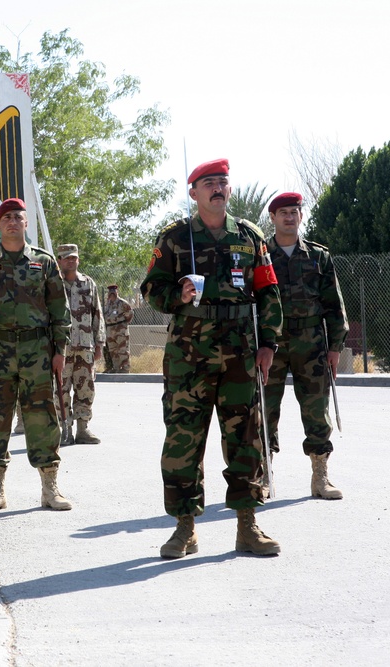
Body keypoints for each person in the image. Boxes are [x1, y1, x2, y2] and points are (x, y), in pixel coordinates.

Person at [139, 158, 283, 558]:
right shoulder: (174, 237)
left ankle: (247, 524)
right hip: (190, 353)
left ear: (230, 190)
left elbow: (268, 293)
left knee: (246, 439)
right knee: (184, 438)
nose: (217, 189)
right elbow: (152, 288)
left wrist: (269, 344)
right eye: (209, 183)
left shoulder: (250, 237)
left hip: (241, 351)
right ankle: (184, 528)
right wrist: (177, 295)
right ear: (194, 193)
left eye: (223, 182)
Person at [0, 198, 73, 512]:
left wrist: (60, 351)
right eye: (6, 218)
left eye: (17, 217)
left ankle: (50, 488)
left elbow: (59, 311)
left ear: (26, 223)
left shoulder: (44, 262)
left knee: (42, 416)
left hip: (37, 350)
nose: (12, 222)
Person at [264, 192, 347, 501]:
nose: (289, 216)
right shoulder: (259, 255)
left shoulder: (318, 256)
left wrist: (335, 347)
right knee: (265, 408)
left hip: (311, 342)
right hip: (269, 343)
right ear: (272, 217)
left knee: (316, 408)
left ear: (301, 216)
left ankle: (320, 475)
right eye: (282, 212)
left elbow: (333, 306)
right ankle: (263, 472)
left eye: (294, 211)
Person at [56, 244, 105, 445]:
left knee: (86, 388)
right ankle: (65, 429)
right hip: (62, 346)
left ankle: (83, 428)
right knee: (61, 388)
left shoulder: (88, 283)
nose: (71, 261)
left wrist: (100, 343)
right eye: (66, 258)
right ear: (59, 261)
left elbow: (97, 313)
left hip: (85, 346)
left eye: (74, 258)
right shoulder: (53, 284)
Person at [104, 285, 134, 373]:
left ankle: (125, 368)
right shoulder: (108, 304)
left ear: (117, 292)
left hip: (120, 329)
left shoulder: (122, 303)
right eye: (110, 291)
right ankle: (116, 368)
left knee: (123, 349)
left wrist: (124, 323)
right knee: (113, 350)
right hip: (110, 329)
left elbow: (130, 312)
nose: (112, 293)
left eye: (114, 291)